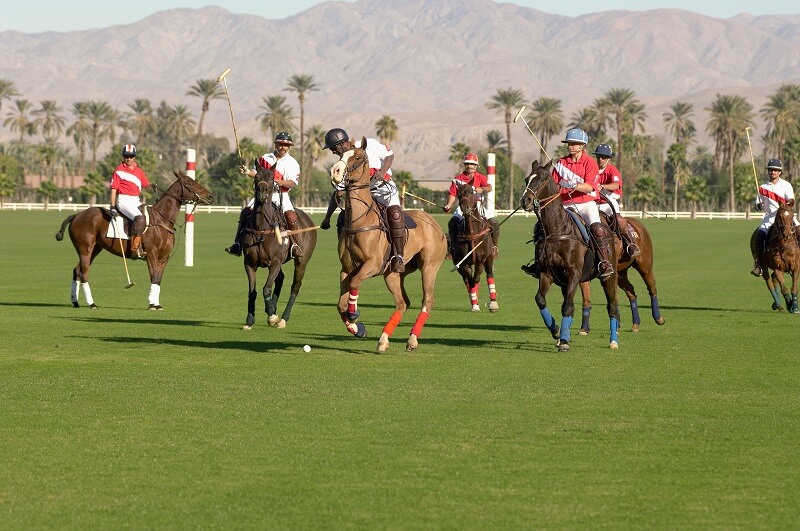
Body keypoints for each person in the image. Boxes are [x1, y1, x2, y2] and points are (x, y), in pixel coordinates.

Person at [521, 128, 614, 280]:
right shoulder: (561, 164)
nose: (571, 146)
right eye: (569, 143)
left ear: (582, 146)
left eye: (575, 143)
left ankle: (604, 262)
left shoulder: (590, 163)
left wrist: (573, 185)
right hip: (565, 203)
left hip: (585, 203)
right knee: (540, 226)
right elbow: (554, 185)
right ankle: (538, 264)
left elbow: (590, 186)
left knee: (597, 229)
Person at [320, 127, 407, 273]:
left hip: (384, 190)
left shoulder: (369, 144)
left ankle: (398, 256)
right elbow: (339, 192)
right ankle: (348, 253)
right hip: (362, 197)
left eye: (333, 148)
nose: (332, 152)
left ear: (342, 144)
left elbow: (389, 156)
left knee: (395, 214)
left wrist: (382, 172)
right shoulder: (343, 162)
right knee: (343, 218)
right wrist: (327, 218)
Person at [226, 131, 304, 257]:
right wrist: (247, 171)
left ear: (289, 147)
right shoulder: (264, 159)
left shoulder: (292, 163)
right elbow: (256, 173)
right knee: (245, 212)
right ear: (275, 144)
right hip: (262, 194)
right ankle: (237, 244)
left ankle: (295, 245)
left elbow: (292, 183)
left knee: (291, 217)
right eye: (280, 144)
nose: (282, 147)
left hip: (281, 195)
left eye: (285, 145)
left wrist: (278, 182)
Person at [443, 152, 500, 258]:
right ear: (465, 165)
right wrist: (449, 205)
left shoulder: (480, 177)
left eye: (472, 164)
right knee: (453, 222)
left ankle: (494, 247)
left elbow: (489, 187)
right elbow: (452, 194)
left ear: (476, 166)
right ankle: (452, 248)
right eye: (468, 164)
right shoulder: (457, 179)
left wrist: (482, 189)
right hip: (462, 206)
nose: (470, 166)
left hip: (478, 205)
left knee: (494, 223)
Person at [750, 158, 800, 276]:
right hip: (770, 218)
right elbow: (757, 205)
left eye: (775, 170)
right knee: (758, 237)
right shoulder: (762, 188)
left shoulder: (786, 185)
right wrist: (759, 205)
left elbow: (791, 201)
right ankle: (758, 265)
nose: (773, 172)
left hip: (786, 217)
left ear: (780, 172)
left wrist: (784, 210)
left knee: (799, 232)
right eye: (771, 170)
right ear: (768, 171)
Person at [593, 143, 641, 258]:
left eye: (603, 157)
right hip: (593, 202)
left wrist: (602, 186)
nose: (600, 159)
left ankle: (631, 244)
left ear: (608, 158)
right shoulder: (592, 168)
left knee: (618, 220)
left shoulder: (612, 170)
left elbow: (616, 185)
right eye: (598, 156)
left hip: (608, 201)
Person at [110, 144, 150, 259]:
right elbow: (113, 189)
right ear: (123, 157)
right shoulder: (119, 170)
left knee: (149, 216)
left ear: (134, 157)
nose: (128, 159)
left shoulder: (139, 171)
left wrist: (155, 187)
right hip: (123, 201)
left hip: (136, 200)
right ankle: (134, 249)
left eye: (131, 156)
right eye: (126, 156)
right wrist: (112, 206)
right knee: (140, 218)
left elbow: (146, 184)